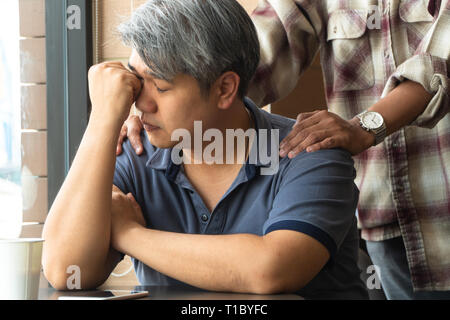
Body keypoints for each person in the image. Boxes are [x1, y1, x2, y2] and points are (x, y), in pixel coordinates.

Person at [118, 0, 450, 299]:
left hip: (442, 201)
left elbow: (441, 64)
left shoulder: (315, 162)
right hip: (383, 208)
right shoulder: (137, 157)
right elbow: (253, 48)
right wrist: (174, 108)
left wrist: (365, 127)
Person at [41, 0, 369, 299]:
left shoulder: (311, 153)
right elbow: (66, 271)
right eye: (137, 81)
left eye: (161, 86)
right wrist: (102, 120)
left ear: (225, 88)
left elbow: (271, 270)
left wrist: (128, 234)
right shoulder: (137, 150)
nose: (141, 102)